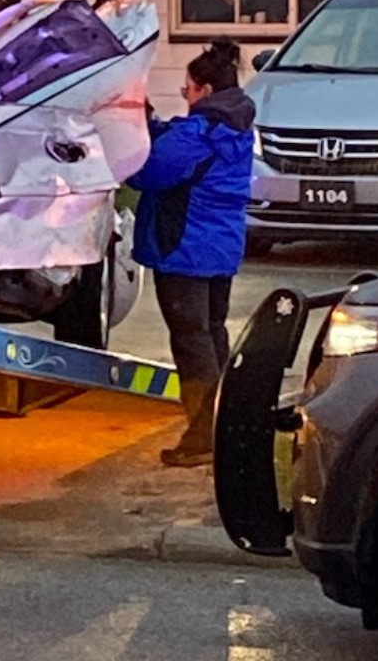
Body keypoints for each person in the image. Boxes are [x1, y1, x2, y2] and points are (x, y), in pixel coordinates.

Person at [128, 38, 256, 468]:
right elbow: (177, 145)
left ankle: (202, 434)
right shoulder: (235, 127)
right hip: (219, 247)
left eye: (187, 90)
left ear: (202, 88)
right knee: (212, 331)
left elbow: (148, 172)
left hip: (183, 247)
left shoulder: (199, 133)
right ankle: (226, 424)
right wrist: (155, 123)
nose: (186, 96)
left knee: (190, 339)